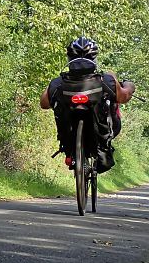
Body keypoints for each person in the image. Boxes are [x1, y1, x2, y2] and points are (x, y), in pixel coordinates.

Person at [40, 37, 135, 173]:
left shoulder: (58, 83)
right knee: (114, 104)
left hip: (68, 135)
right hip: (101, 132)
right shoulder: (107, 80)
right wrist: (129, 85)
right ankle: (102, 150)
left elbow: (44, 103)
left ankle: (73, 155)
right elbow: (124, 97)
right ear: (94, 59)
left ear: (69, 58)